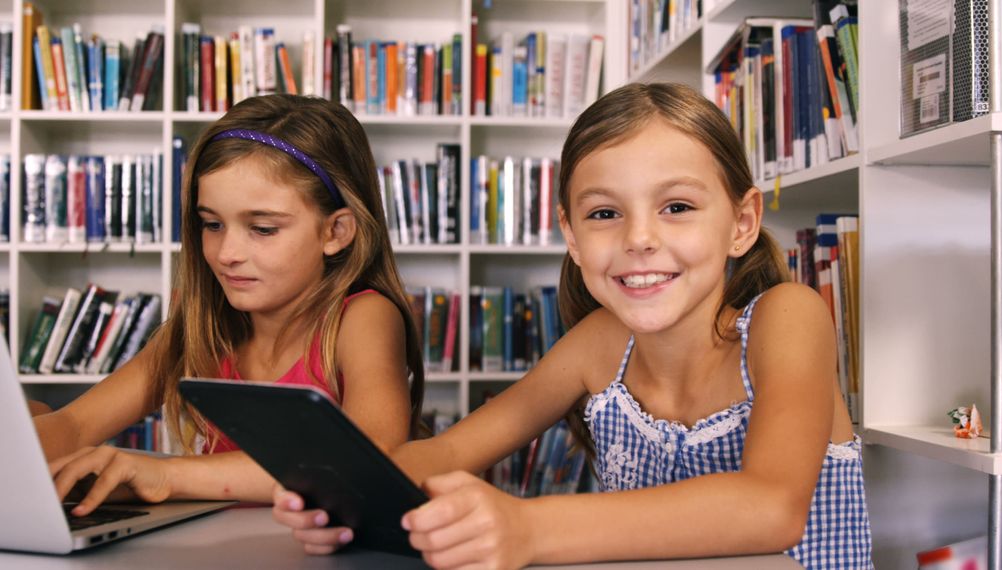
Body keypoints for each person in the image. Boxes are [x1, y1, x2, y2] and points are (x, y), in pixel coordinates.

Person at [273, 83, 872, 569]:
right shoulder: (600, 345)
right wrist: (347, 496)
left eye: (677, 207)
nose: (639, 239)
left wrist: (528, 526)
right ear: (572, 237)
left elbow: (770, 509)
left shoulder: (787, 316)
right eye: (605, 213)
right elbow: (452, 450)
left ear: (741, 223)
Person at [36, 94, 425, 518]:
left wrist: (169, 476)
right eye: (212, 224)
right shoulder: (202, 327)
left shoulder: (363, 318)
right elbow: (76, 425)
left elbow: (370, 457)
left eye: (261, 228)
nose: (226, 253)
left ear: (336, 232)